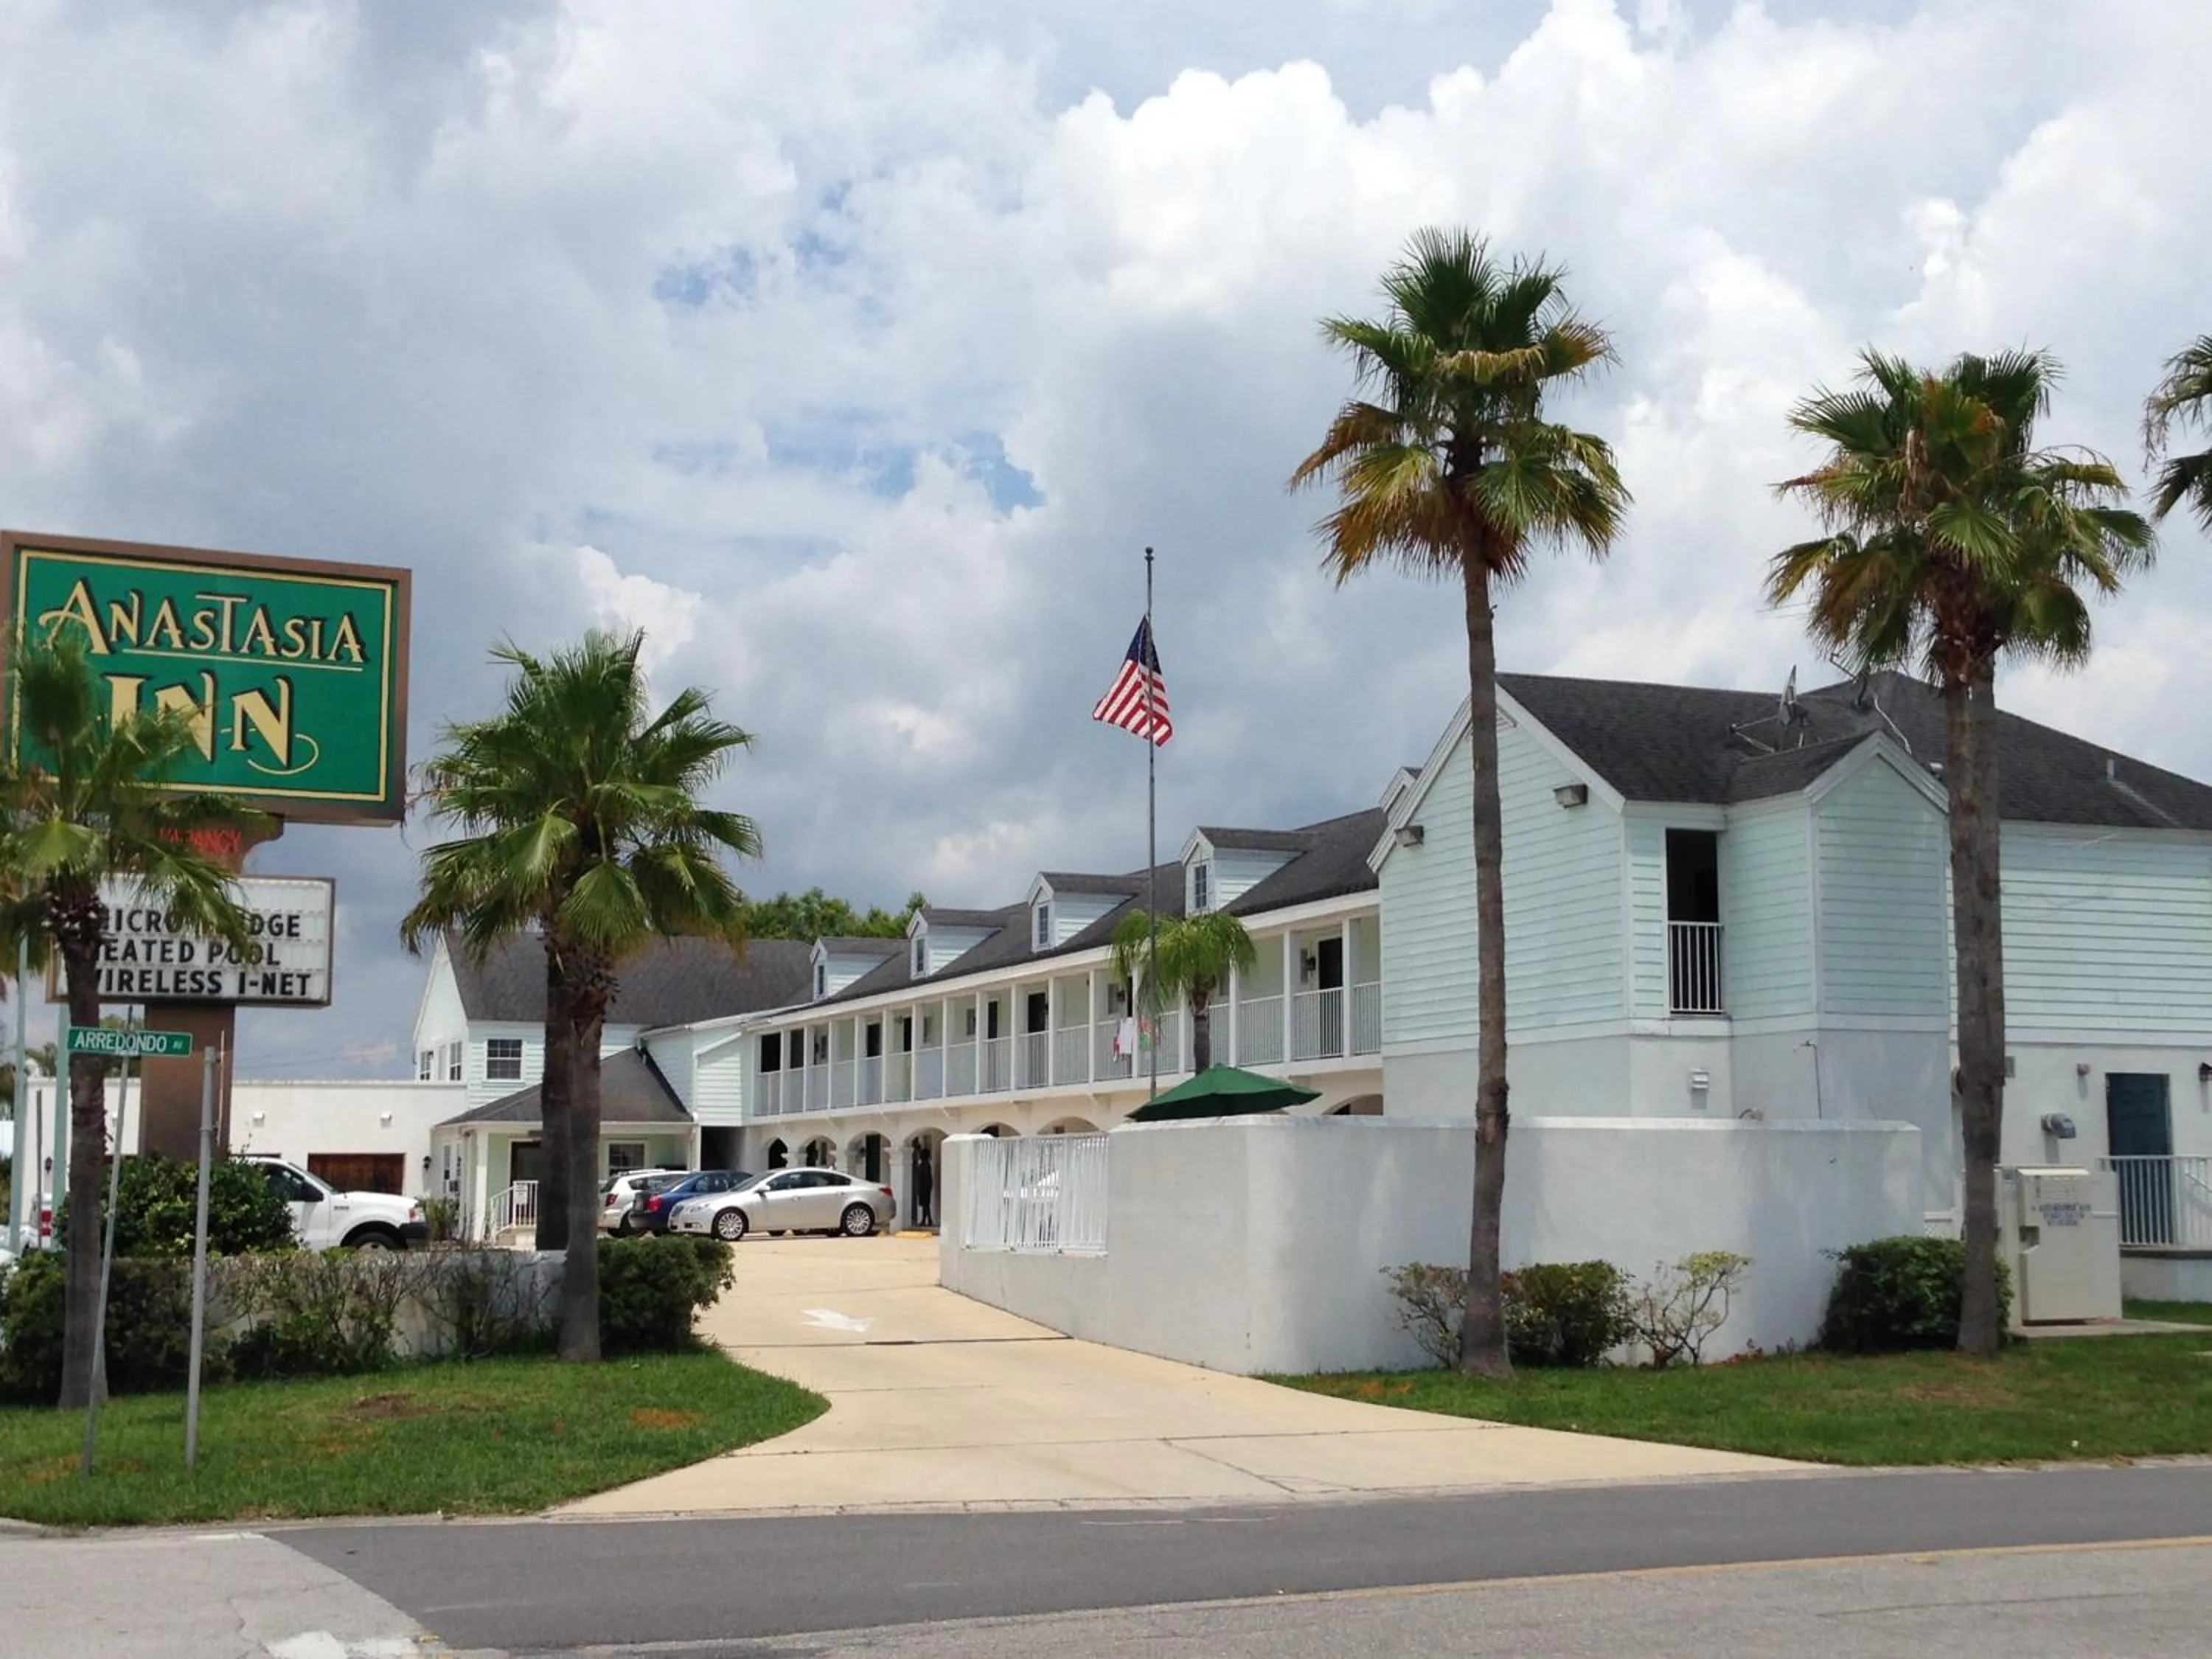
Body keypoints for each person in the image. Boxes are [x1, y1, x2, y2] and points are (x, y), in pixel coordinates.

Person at [912, 1142, 935, 1229]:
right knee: (925, 1204)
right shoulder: (925, 1164)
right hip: (926, 1187)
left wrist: (920, 1188)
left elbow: (924, 1177)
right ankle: (927, 1219)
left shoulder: (924, 1165)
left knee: (925, 1204)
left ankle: (927, 1220)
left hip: (924, 1187)